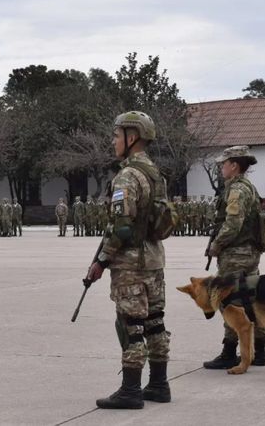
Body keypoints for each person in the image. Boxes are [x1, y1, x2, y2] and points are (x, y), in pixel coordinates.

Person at [85, 111, 170, 409]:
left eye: (116, 135)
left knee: (131, 325)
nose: (113, 141)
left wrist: (101, 261)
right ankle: (159, 384)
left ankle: (131, 390)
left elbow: (121, 225)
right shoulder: (155, 174)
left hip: (131, 266)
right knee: (155, 323)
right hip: (154, 262)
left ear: (131, 137)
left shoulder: (127, 176)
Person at [202, 146, 265, 369]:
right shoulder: (248, 186)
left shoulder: (237, 189)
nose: (222, 167)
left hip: (236, 255)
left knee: (229, 302)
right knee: (251, 301)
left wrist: (216, 245)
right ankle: (259, 352)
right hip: (249, 254)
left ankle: (229, 352)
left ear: (235, 166)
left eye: (224, 163)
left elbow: (233, 224)